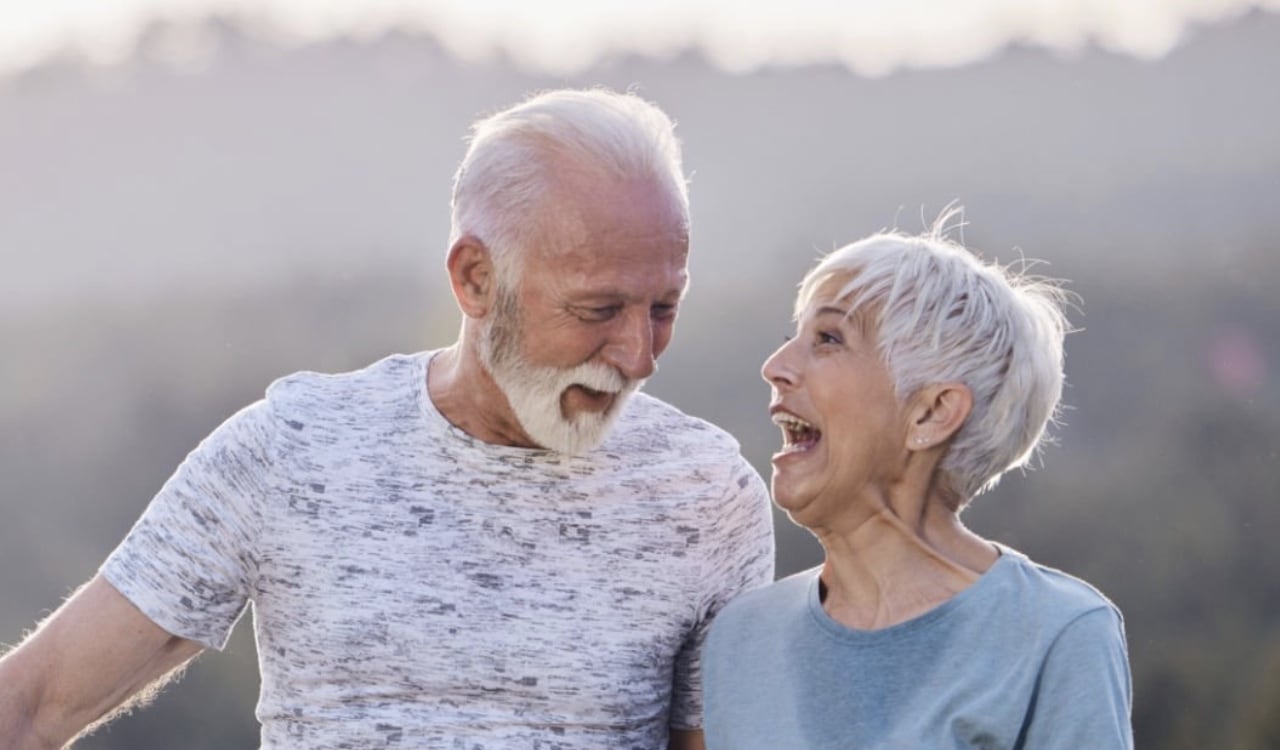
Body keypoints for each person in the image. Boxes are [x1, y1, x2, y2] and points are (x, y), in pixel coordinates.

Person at [0, 88, 775, 750]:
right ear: (475, 278)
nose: (638, 355)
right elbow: (32, 705)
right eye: (598, 309)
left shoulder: (706, 496)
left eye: (665, 307)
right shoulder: (292, 450)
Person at [702, 216, 1133, 749]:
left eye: (829, 339)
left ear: (931, 412)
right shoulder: (740, 641)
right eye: (793, 338)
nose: (775, 365)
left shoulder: (1057, 633)